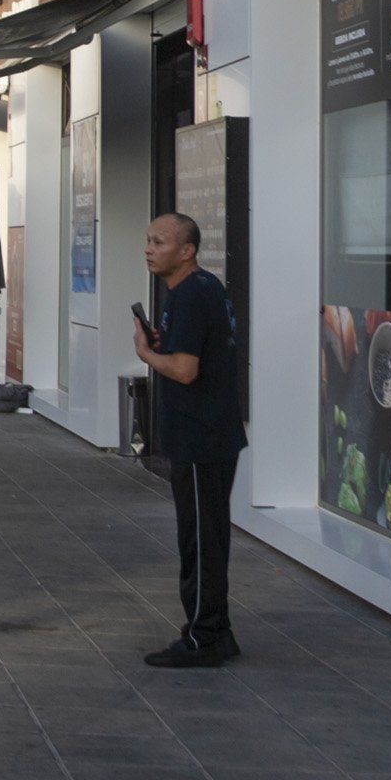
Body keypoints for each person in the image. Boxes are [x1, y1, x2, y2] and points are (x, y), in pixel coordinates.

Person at [132, 212, 246, 668]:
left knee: (200, 541)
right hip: (207, 437)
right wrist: (166, 343)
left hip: (202, 439)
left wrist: (144, 353)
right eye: (148, 240)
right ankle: (218, 631)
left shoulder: (193, 294)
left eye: (159, 241)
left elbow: (185, 369)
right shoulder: (194, 291)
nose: (149, 248)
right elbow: (190, 353)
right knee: (206, 538)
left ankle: (203, 636)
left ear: (187, 251)